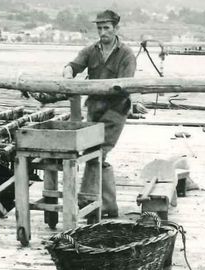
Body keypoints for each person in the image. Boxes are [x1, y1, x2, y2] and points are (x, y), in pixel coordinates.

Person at [63, 10, 136, 218]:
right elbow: (74, 65)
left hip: (115, 110)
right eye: (99, 28)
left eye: (107, 28)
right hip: (94, 110)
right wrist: (68, 71)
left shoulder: (126, 54)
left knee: (99, 152)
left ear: (116, 29)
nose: (102, 32)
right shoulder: (91, 50)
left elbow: (124, 86)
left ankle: (87, 200)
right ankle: (109, 206)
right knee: (94, 154)